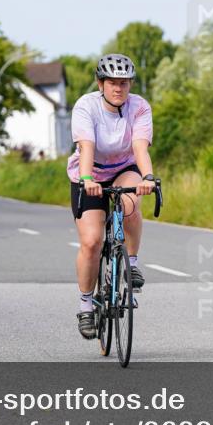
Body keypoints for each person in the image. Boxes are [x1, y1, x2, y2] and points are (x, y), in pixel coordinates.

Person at [69, 53, 156, 340]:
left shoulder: (140, 107)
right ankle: (85, 306)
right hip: (90, 172)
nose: (118, 89)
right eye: (112, 83)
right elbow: (87, 145)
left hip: (123, 167)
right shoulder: (86, 106)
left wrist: (147, 178)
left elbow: (140, 147)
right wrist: (87, 180)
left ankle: (130, 265)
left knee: (130, 203)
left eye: (124, 83)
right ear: (100, 83)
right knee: (92, 241)